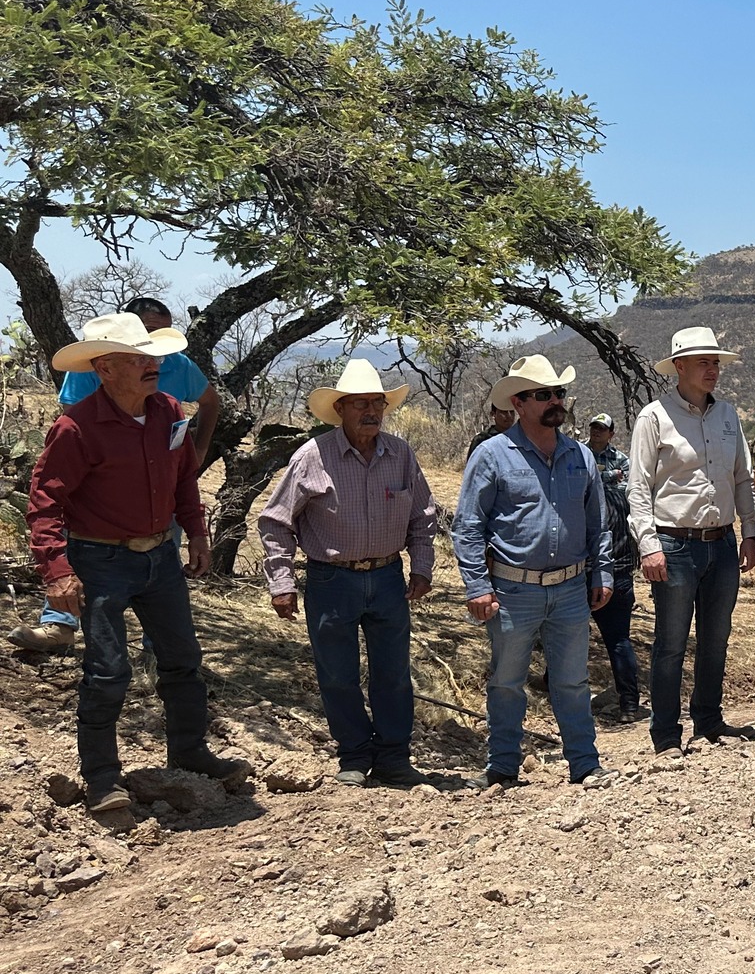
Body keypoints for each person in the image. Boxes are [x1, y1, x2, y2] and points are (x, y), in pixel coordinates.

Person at [25, 313, 248, 813]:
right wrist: (57, 570)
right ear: (105, 368)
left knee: (182, 660)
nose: (154, 365)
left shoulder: (168, 410)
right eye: (140, 359)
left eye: (153, 357)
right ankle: (102, 778)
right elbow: (45, 503)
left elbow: (183, 479)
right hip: (100, 560)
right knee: (107, 671)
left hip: (160, 557)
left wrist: (196, 532)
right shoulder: (76, 426)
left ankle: (189, 752)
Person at [258, 359, 439, 788]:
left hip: (388, 577)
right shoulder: (312, 456)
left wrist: (423, 566)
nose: (371, 411)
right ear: (340, 409)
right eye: (360, 404)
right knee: (337, 673)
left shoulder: (401, 454)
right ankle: (354, 756)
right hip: (331, 579)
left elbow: (424, 515)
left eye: (377, 403)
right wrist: (281, 582)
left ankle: (394, 758)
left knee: (392, 672)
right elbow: (275, 521)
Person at [10, 296, 222, 655]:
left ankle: (160, 651)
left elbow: (205, 413)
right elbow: (62, 464)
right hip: (100, 526)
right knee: (106, 663)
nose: (154, 356)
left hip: (158, 508)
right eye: (144, 342)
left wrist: (198, 454)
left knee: (170, 614)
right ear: (105, 367)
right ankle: (60, 625)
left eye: (156, 344)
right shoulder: (81, 409)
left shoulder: (172, 391)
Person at [453, 355, 615, 789]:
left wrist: (603, 573)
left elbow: (598, 522)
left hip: (570, 589)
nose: (554, 401)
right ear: (519, 403)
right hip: (511, 590)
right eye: (542, 395)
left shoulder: (580, 456)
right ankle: (502, 768)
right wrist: (477, 585)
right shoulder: (491, 454)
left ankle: (585, 764)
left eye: (558, 393)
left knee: (573, 681)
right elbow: (468, 525)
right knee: (507, 682)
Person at [627, 327, 755, 758]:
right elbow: (638, 487)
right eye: (703, 362)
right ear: (679, 367)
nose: (713, 370)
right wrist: (648, 544)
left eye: (715, 362)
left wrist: (750, 531)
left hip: (721, 543)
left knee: (716, 637)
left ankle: (708, 719)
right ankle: (666, 734)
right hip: (674, 544)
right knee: (670, 643)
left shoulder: (727, 416)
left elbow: (742, 478)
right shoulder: (654, 417)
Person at [585, 412, 644, 724]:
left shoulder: (623, 463)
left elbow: (636, 500)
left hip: (618, 565)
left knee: (618, 638)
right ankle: (558, 692)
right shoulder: (578, 456)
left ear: (611, 432)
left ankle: (629, 702)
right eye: (593, 427)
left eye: (602, 428)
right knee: (567, 634)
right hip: (579, 568)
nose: (596, 432)